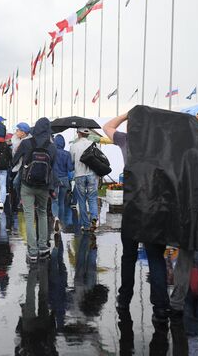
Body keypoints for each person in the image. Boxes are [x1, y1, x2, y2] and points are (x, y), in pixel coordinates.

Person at [103, 112, 171, 325]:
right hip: (157, 207)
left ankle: (124, 299)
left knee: (129, 256)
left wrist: (126, 115)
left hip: (133, 206)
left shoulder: (126, 140)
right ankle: (161, 307)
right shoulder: (161, 144)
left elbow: (107, 125)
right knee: (156, 257)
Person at [12, 117, 57, 263]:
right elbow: (52, 168)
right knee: (43, 214)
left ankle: (32, 251)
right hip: (44, 186)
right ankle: (43, 247)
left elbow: (14, 160)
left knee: (29, 217)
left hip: (27, 184)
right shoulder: (52, 146)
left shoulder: (26, 143)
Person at [68, 128, 99, 232]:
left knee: (81, 200)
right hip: (92, 175)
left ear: (78, 134)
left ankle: (86, 225)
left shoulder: (74, 146)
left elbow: (71, 161)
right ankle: (94, 217)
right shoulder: (94, 145)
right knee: (92, 198)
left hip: (79, 175)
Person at [52, 135, 74, 232]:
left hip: (55, 179)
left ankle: (55, 218)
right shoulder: (67, 154)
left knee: (54, 201)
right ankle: (60, 222)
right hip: (64, 179)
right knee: (61, 202)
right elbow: (70, 168)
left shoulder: (52, 153)